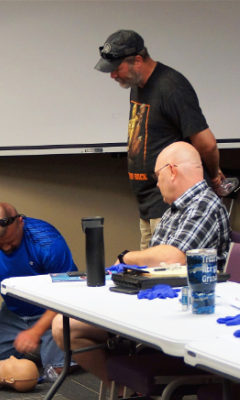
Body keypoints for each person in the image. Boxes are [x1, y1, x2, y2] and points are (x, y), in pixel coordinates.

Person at [52, 141, 231, 400]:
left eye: (158, 174)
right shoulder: (175, 210)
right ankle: (133, 399)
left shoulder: (204, 205)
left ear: (172, 171)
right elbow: (155, 263)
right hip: (151, 307)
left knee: (69, 328)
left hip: (182, 317)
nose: (155, 181)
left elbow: (173, 257)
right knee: (66, 328)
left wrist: (126, 257)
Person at [95, 29, 226, 250]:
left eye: (117, 68)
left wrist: (213, 177)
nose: (113, 75)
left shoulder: (172, 87)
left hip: (169, 207)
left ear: (137, 60)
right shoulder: (138, 85)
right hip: (147, 205)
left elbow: (207, 143)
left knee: (164, 274)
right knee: (147, 278)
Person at [0, 202, 77, 374]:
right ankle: (38, 345)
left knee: (55, 370)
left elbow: (67, 291)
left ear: (21, 222)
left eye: (11, 243)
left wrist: (36, 331)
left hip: (53, 309)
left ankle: (81, 344)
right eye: (0, 245)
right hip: (15, 310)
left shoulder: (46, 240)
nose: (6, 248)